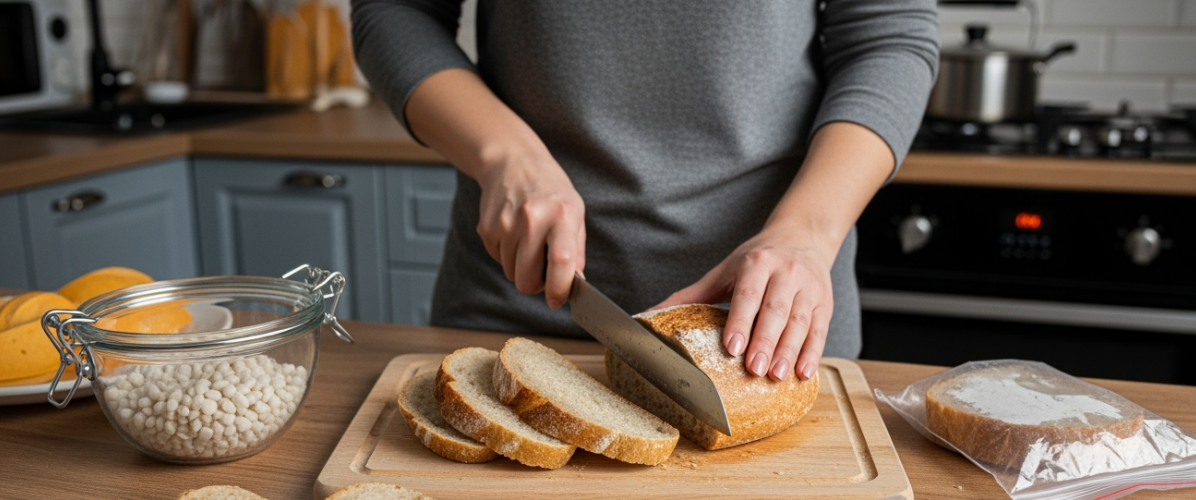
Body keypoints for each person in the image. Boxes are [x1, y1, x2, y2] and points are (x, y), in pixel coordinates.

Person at [351, 0, 938, 382]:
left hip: (767, 331)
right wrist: (505, 156)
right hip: (514, 305)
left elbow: (889, 39)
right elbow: (396, 12)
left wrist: (805, 235)